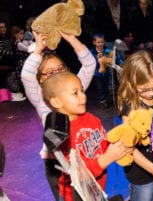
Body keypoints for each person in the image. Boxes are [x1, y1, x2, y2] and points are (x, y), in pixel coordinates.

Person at [21, 31, 96, 201]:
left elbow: (90, 63)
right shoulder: (42, 98)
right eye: (49, 72)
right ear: (40, 80)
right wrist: (38, 49)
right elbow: (26, 75)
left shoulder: (73, 87)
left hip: (83, 157)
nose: (56, 73)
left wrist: (71, 39)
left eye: (59, 68)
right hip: (58, 163)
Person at [41, 71, 132, 201]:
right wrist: (107, 159)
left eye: (82, 91)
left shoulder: (91, 118)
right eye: (75, 93)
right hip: (75, 195)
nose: (83, 96)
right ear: (56, 102)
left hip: (97, 187)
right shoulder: (59, 134)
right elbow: (77, 175)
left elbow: (102, 144)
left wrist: (118, 146)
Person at [117, 50, 153, 201]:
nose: (152, 93)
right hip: (141, 173)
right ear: (131, 83)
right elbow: (129, 147)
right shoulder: (131, 107)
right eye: (145, 89)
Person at [89, 33, 123, 108]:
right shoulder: (92, 51)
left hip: (106, 73)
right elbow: (91, 60)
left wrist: (117, 60)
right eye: (98, 42)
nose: (100, 44)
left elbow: (113, 56)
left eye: (102, 42)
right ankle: (102, 100)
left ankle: (107, 99)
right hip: (97, 73)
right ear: (94, 42)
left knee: (106, 86)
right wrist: (98, 59)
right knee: (100, 87)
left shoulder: (107, 50)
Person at [6, 25, 29, 101]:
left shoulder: (22, 42)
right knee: (24, 81)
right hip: (22, 64)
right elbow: (28, 49)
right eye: (21, 33)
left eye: (23, 33)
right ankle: (26, 96)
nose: (23, 35)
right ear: (16, 35)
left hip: (25, 63)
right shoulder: (18, 44)